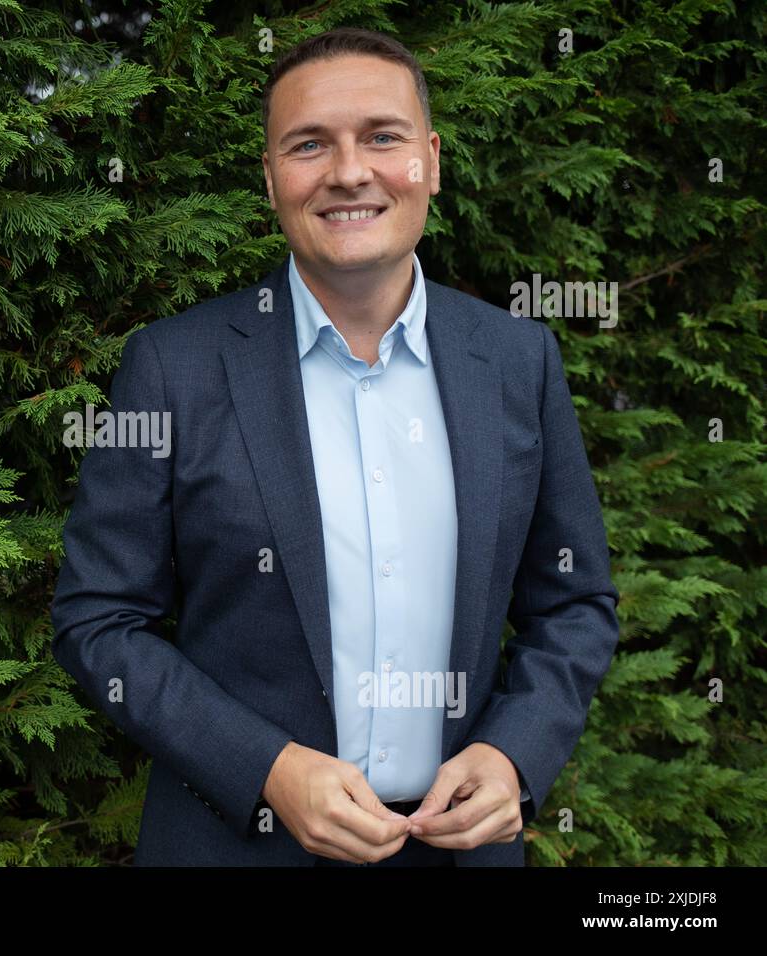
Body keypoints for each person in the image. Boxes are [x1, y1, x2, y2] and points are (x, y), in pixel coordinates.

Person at [50, 27, 620, 867]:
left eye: (382, 137)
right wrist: (267, 770)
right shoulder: (174, 366)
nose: (349, 172)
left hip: (461, 851)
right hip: (237, 845)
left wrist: (513, 755)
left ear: (429, 158)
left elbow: (573, 603)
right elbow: (97, 619)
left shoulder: (516, 361)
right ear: (271, 176)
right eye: (309, 144)